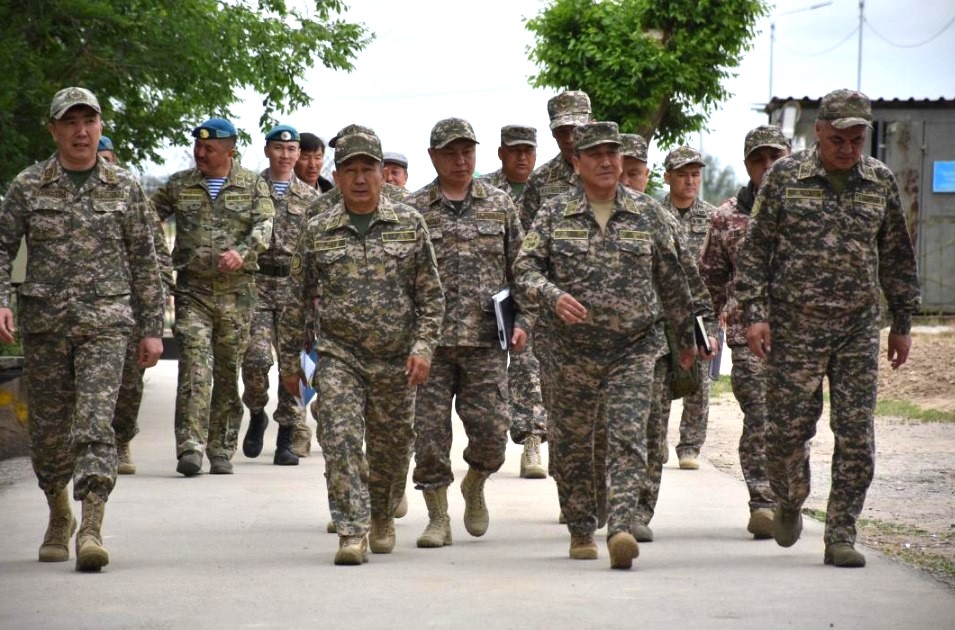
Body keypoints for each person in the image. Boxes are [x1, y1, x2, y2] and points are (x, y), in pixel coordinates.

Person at [735, 89, 920, 568]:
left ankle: (841, 532)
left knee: (856, 433)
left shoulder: (879, 180)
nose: (848, 149)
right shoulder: (785, 177)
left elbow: (897, 255)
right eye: (838, 139)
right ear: (818, 132)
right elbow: (755, 250)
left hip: (857, 327)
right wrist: (755, 313)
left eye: (857, 140)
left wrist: (902, 321)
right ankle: (789, 499)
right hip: (794, 327)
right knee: (785, 433)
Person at [515, 122, 696, 569]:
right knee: (573, 443)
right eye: (594, 154)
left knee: (628, 434)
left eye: (612, 154)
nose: (605, 162)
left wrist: (686, 339)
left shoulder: (648, 213)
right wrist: (552, 296)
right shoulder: (555, 213)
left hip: (634, 347)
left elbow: (674, 281)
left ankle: (620, 527)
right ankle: (581, 529)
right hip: (568, 352)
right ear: (577, 163)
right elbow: (524, 270)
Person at [0, 87, 165, 571]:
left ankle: (92, 526)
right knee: (50, 433)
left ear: (99, 126)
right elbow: (2, 247)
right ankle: (59, 514)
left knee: (95, 424)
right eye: (70, 122)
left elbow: (145, 260)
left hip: (107, 325)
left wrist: (152, 328)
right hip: (46, 326)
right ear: (54, 129)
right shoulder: (29, 185)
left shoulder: (125, 187)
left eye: (88, 121)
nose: (80, 131)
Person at [278, 125, 444, 565]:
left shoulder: (409, 224)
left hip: (397, 357)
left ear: (381, 173)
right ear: (337, 175)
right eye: (349, 170)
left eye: (367, 169)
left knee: (393, 447)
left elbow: (431, 296)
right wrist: (290, 363)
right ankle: (351, 531)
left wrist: (423, 348)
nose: (359, 178)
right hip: (340, 355)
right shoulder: (318, 229)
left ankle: (382, 514)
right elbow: (295, 300)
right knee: (341, 439)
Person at [405, 117, 527, 548]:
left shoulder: (500, 205)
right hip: (430, 345)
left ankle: (475, 481)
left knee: (493, 434)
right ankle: (438, 518)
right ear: (433, 157)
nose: (460, 160)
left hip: (485, 341)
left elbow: (522, 269)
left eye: (467, 152)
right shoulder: (415, 211)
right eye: (451, 153)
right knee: (429, 438)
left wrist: (524, 322)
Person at [152, 117, 274, 477]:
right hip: (193, 293)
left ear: (229, 151)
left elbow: (265, 225)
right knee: (194, 366)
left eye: (209, 148)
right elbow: (143, 218)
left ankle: (221, 448)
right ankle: (190, 447)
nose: (200, 153)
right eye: (198, 146)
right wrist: (160, 257)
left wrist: (243, 251)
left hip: (237, 296)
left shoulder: (252, 185)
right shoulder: (180, 185)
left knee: (226, 372)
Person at [699, 125, 791, 539]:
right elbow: (710, 282)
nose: (767, 166)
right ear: (747, 165)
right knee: (760, 416)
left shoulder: (809, 207)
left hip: (804, 335)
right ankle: (763, 502)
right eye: (759, 159)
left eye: (775, 157)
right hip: (746, 335)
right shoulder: (726, 216)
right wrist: (705, 331)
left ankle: (789, 497)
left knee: (796, 421)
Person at [240, 124, 321, 466]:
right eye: (278, 148)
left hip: (293, 289)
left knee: (293, 365)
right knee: (256, 359)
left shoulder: (312, 199)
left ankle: (286, 436)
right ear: (267, 151)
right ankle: (257, 411)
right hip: (257, 286)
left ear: (298, 154)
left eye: (291, 150)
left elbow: (318, 249)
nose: (285, 155)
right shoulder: (249, 190)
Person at [95, 136, 175, 476]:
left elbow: (157, 252)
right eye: (99, 157)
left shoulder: (130, 193)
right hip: (82, 307)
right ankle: (90, 447)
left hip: (128, 306)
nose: (103, 164)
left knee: (128, 382)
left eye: (108, 158)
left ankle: (121, 438)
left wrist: (162, 290)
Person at [481, 125, 546, 479]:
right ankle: (486, 442)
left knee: (528, 365)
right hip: (490, 294)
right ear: (501, 153)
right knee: (487, 374)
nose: (522, 157)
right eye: (515, 150)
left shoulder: (546, 188)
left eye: (528, 151)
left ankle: (532, 440)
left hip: (532, 291)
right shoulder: (485, 190)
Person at [661, 146, 717, 471]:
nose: (690, 181)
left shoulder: (713, 218)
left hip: (699, 310)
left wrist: (716, 320)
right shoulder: (653, 213)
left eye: (695, 174)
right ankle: (657, 440)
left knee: (699, 380)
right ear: (667, 177)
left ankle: (690, 446)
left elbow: (722, 271)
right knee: (660, 378)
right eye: (682, 175)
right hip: (663, 311)